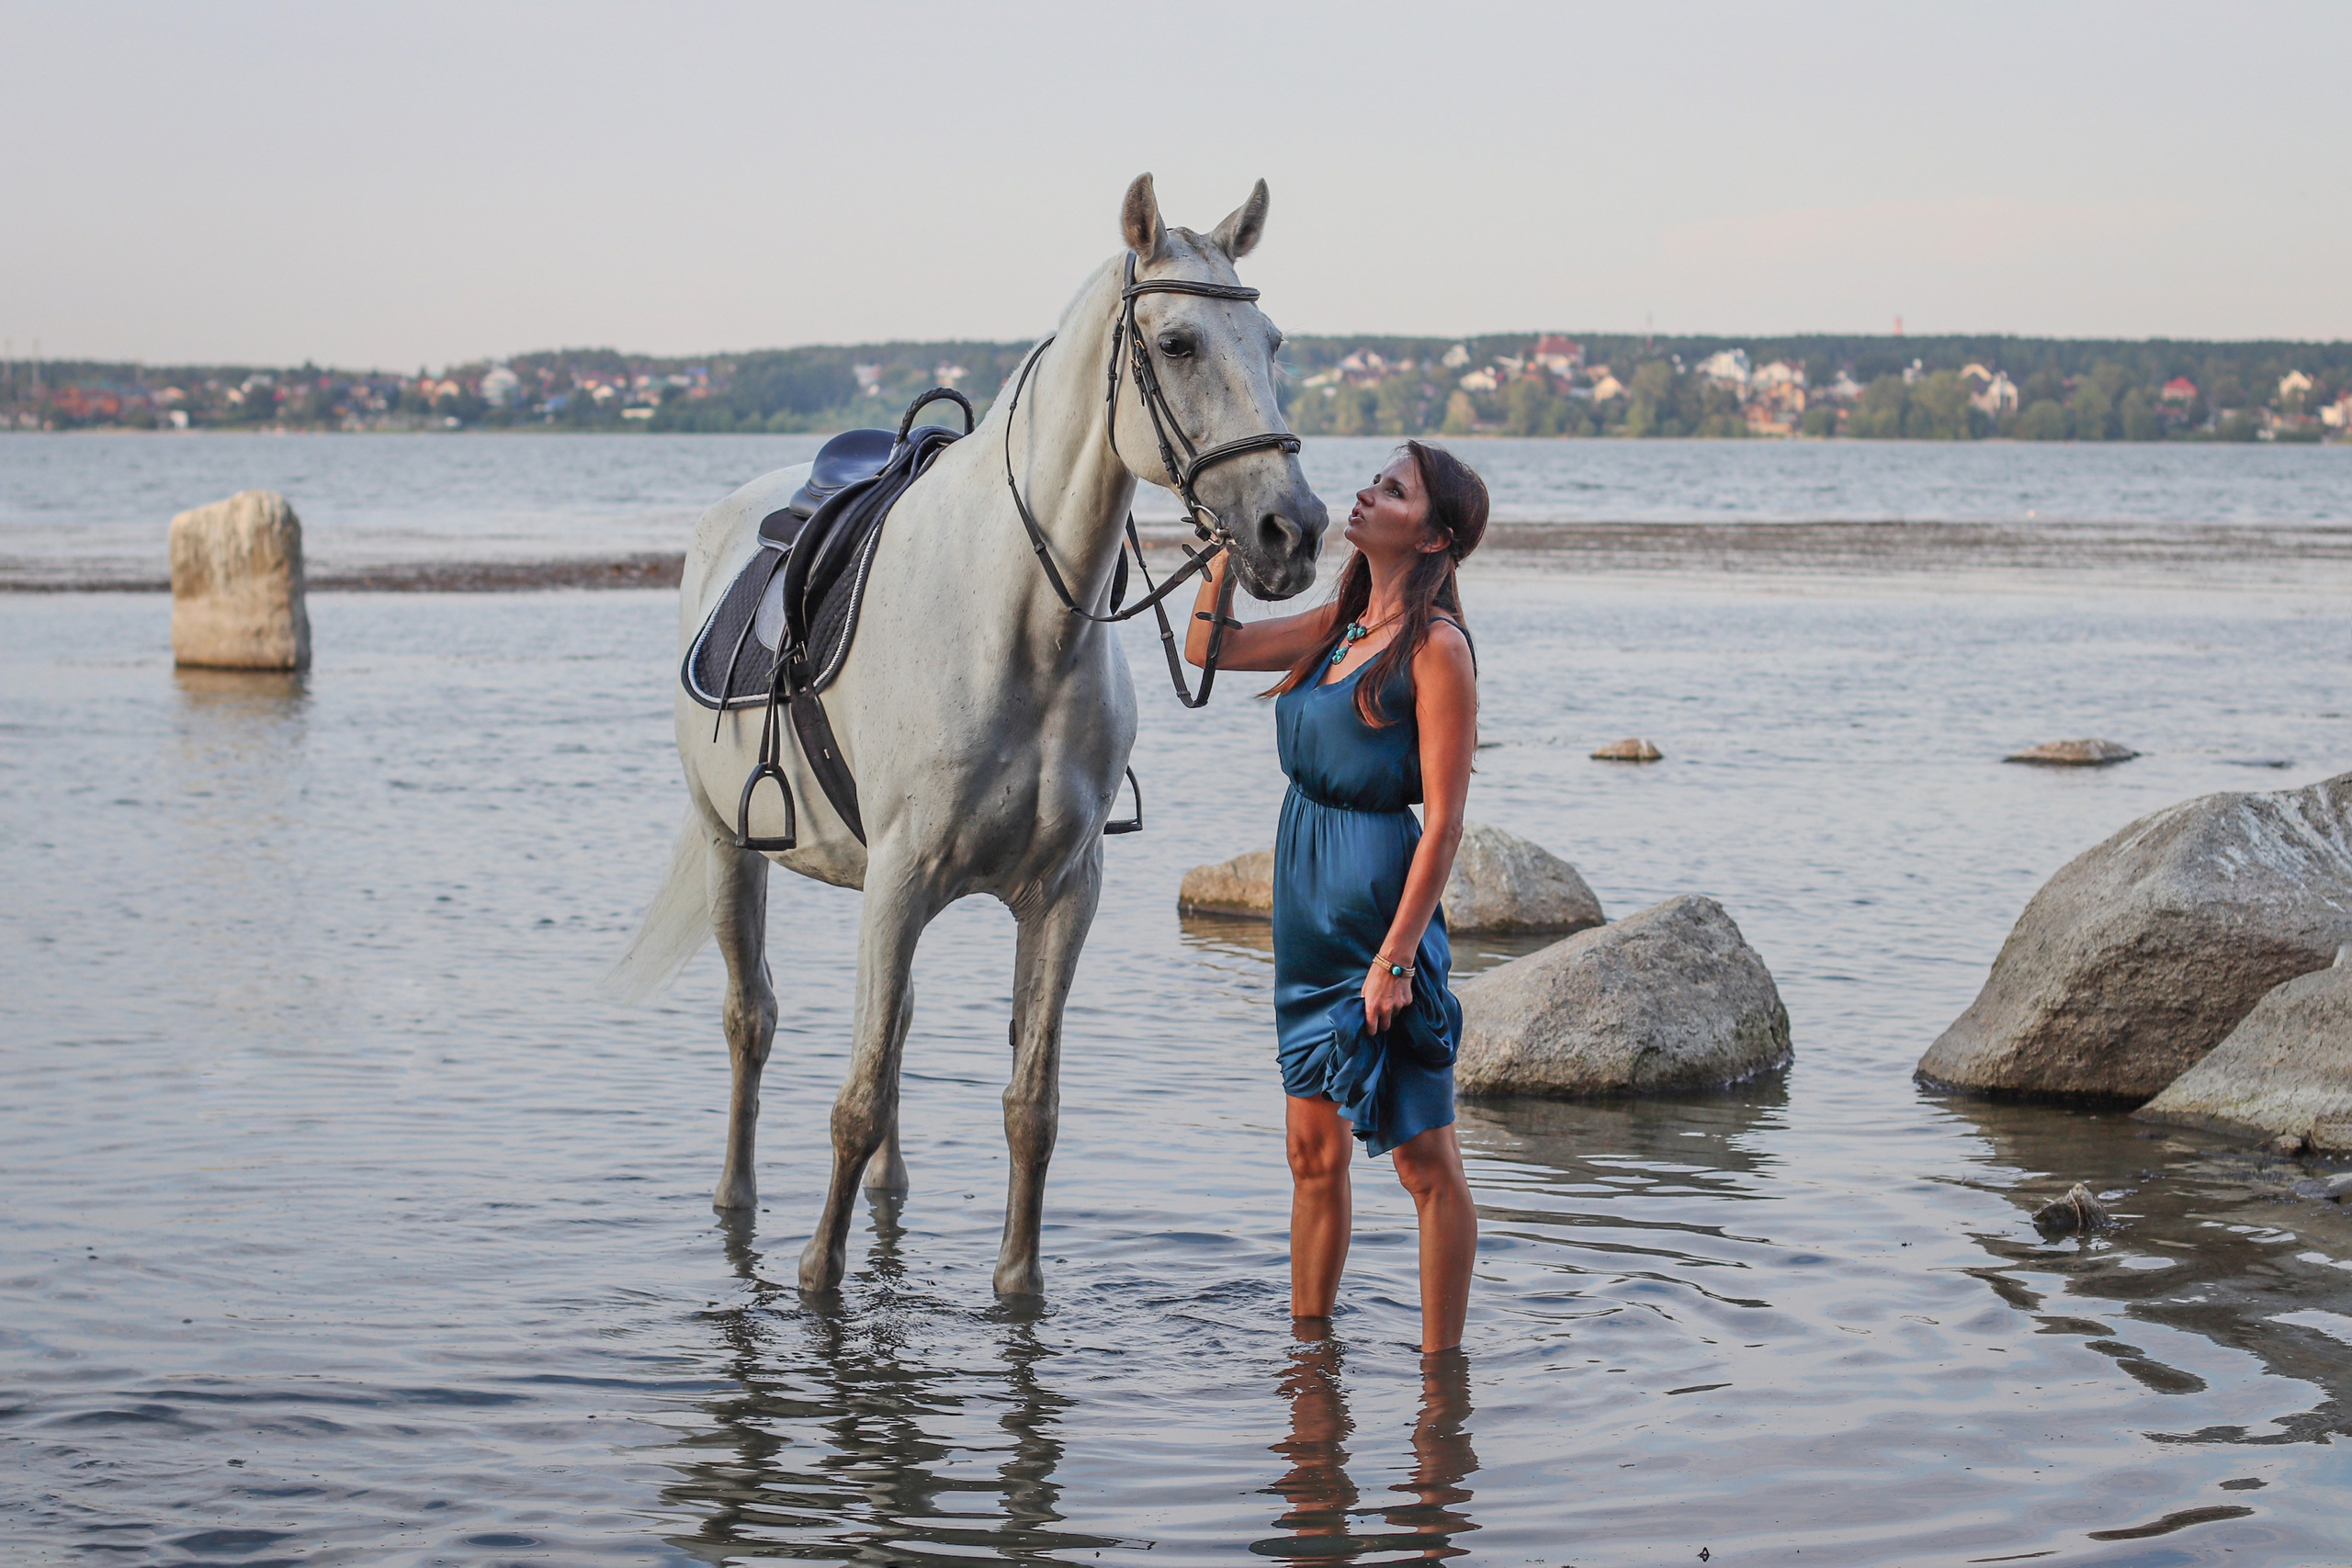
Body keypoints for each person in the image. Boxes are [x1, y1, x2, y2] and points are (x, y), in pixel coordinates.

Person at [1184, 439, 1488, 1354]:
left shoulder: (1437, 652)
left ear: (1434, 537)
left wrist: (1397, 959)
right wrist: (1217, 561)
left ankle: (1442, 1380)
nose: (1364, 493)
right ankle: (1309, 1362)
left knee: (1424, 1161)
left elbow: (1442, 823)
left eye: (1391, 490)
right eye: (1373, 480)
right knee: (1310, 1158)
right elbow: (1209, 647)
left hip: (1375, 927)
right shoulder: (1335, 627)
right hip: (1303, 918)